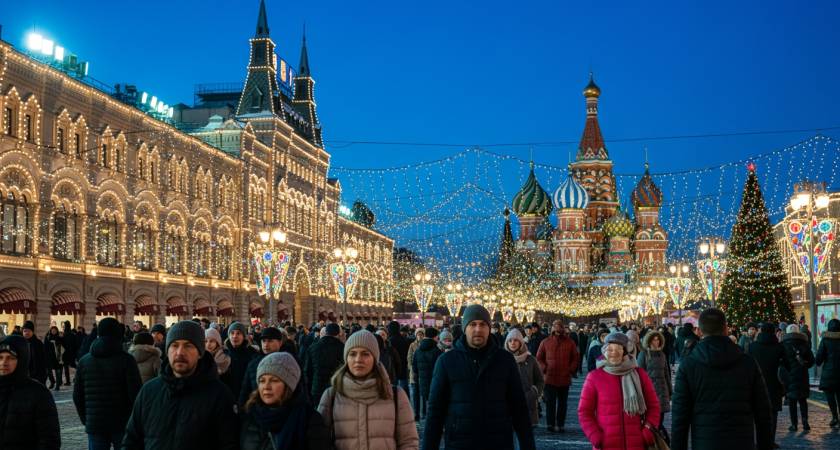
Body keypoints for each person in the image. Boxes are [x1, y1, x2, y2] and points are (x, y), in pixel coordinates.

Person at [423, 305, 535, 450]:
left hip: (498, 443)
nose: (478, 329)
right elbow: (435, 413)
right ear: (465, 328)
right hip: (460, 443)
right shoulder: (446, 361)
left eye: (483, 324)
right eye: (472, 324)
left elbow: (519, 409)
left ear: (489, 328)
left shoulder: (505, 360)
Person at [122, 320, 239, 449]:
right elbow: (132, 440)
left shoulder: (220, 395)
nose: (180, 352)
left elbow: (229, 444)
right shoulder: (149, 391)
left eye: (188, 346)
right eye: (174, 345)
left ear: (200, 352)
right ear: (167, 349)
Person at [670, 308, 773, 450]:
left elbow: (679, 419)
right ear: (726, 330)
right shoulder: (748, 363)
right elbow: (764, 414)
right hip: (742, 443)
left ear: (699, 332)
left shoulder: (688, 366)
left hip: (704, 443)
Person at [317, 330, 419, 450]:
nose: (358, 360)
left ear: (375, 358)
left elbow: (408, 442)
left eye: (365, 354)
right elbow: (320, 441)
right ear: (346, 358)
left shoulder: (396, 395)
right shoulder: (331, 395)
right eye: (353, 354)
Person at [578, 332, 661, 450]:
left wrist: (647, 432)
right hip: (606, 445)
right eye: (609, 348)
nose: (614, 352)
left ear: (625, 351)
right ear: (604, 351)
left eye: (618, 348)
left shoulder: (640, 374)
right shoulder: (594, 377)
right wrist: (596, 437)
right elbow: (584, 412)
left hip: (637, 444)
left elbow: (653, 407)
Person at [73, 317, 143, 450]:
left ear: (98, 334)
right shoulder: (127, 360)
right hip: (122, 424)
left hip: (95, 424)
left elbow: (77, 395)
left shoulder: (84, 361)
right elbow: (135, 395)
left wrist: (86, 419)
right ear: (118, 335)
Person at [241, 352, 331, 450]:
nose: (266, 387)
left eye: (274, 380)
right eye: (262, 381)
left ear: (289, 385)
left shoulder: (309, 419)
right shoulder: (250, 415)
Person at [0, 335, 61, 449]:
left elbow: (49, 440)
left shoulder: (39, 394)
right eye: (0, 357)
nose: (4, 363)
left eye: (11, 358)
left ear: (22, 360)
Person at [746, 322, 791, 446]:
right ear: (773, 333)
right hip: (774, 384)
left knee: (756, 412)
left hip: (756, 383)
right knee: (773, 413)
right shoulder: (779, 347)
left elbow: (746, 363)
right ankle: (770, 441)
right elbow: (787, 365)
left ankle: (758, 440)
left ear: (760, 331)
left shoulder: (753, 346)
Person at [240, 326, 299, 410]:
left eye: (270, 341)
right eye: (263, 341)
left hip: (284, 412)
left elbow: (300, 393)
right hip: (258, 414)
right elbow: (244, 393)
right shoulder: (253, 364)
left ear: (279, 343)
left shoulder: (290, 363)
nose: (266, 344)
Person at [536, 320, 580, 432]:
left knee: (562, 403)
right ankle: (551, 424)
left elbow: (576, 357)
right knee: (550, 401)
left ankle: (561, 424)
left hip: (564, 377)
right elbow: (539, 357)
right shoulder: (545, 342)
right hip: (550, 377)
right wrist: (545, 368)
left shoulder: (570, 342)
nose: (557, 333)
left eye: (558, 330)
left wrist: (570, 369)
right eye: (554, 330)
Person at [505, 329, 544, 434]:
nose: (512, 343)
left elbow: (540, 380)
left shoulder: (530, 359)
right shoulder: (502, 360)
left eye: (515, 340)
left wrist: (533, 392)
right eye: (510, 341)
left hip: (528, 405)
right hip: (508, 406)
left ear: (520, 342)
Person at [637, 329, 672, 438]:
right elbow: (640, 374)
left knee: (660, 418)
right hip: (649, 388)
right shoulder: (644, 354)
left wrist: (670, 391)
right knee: (650, 418)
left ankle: (657, 440)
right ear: (649, 341)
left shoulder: (662, 355)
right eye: (654, 340)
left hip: (662, 388)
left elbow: (666, 374)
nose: (656, 342)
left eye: (658, 340)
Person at [781, 324, 815, 431]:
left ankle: (794, 424)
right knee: (803, 399)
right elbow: (811, 361)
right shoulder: (804, 344)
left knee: (792, 400)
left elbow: (782, 362)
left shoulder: (784, 344)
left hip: (790, 374)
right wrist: (804, 366)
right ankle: (805, 420)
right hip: (803, 374)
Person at [304, 322, 345, 403]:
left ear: (326, 332)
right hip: (335, 388)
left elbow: (308, 370)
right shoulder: (342, 348)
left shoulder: (314, 346)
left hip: (317, 388)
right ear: (338, 333)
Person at [412, 327, 442, 421]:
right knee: (436, 406)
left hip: (423, 383)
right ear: (435, 337)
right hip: (436, 383)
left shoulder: (417, 351)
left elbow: (414, 368)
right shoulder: (437, 351)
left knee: (429, 404)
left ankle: (429, 425)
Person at [816, 317, 840, 426]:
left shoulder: (825, 340)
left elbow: (819, 359)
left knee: (830, 395)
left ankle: (835, 416)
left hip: (829, 372)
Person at [224, 321, 258, 400]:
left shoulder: (252, 353)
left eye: (238, 333)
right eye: (232, 333)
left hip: (246, 398)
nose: (235, 336)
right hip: (227, 397)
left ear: (244, 336)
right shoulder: (223, 353)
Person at [386, 320, 411, 393]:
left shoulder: (390, 340)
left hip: (393, 365)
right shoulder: (404, 340)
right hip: (403, 364)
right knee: (404, 384)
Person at [406, 328, 425, 420]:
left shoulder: (425, 345)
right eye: (418, 334)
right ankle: (416, 413)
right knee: (415, 393)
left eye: (421, 334)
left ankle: (424, 412)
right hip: (414, 373)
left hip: (423, 373)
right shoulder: (412, 345)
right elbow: (409, 358)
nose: (420, 336)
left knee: (424, 394)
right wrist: (411, 369)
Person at [45, 326, 65, 390]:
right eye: (52, 330)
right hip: (49, 357)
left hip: (57, 357)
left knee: (57, 371)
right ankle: (52, 382)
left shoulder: (59, 338)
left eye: (55, 330)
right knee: (49, 371)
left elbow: (64, 346)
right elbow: (45, 347)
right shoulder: (47, 338)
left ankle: (57, 385)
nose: (54, 331)